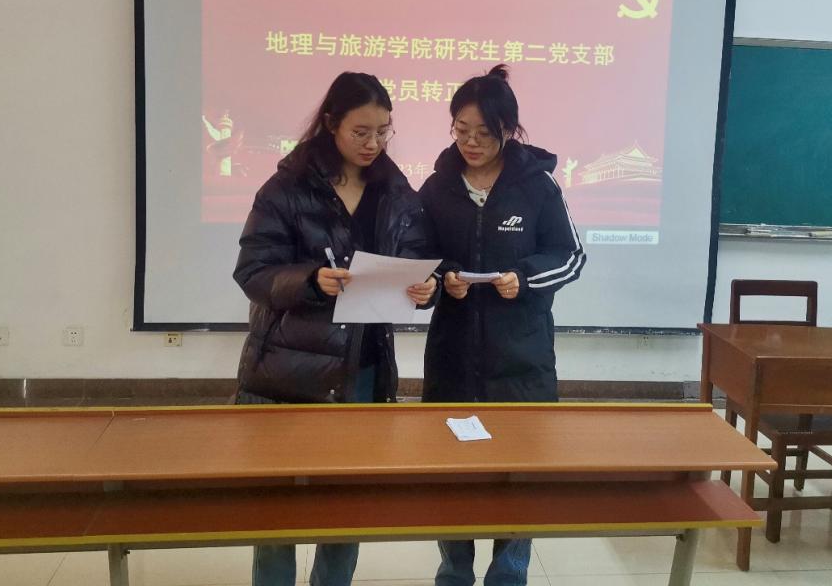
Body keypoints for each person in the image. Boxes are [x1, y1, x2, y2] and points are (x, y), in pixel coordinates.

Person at [233, 71, 437, 586]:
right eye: (361, 132)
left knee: (348, 506)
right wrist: (310, 280)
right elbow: (253, 271)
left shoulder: (396, 191)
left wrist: (424, 286)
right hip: (287, 370)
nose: (374, 143)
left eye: (384, 131)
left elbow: (415, 255)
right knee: (277, 512)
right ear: (330, 125)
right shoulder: (286, 188)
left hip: (362, 369)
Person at [419, 64, 586, 586]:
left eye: (484, 133)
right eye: (461, 130)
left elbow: (571, 256)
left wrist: (525, 278)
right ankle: (454, 573)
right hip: (452, 358)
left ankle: (508, 575)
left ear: (509, 131)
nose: (470, 142)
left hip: (521, 361)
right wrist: (444, 277)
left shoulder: (537, 186)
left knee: (520, 476)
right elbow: (419, 256)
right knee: (452, 477)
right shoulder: (436, 187)